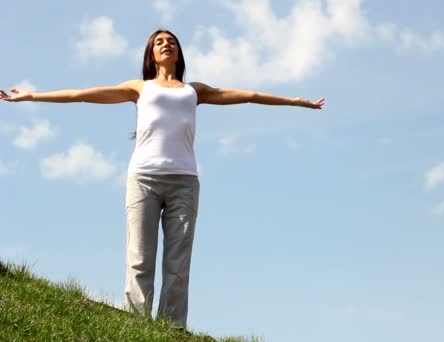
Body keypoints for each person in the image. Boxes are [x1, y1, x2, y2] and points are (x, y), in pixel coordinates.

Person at [0, 29, 325, 328]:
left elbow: (249, 94)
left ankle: (172, 329)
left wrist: (295, 101)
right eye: (159, 41)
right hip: (143, 179)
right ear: (151, 55)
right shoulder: (139, 88)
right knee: (139, 257)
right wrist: (32, 96)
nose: (166, 43)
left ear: (179, 53)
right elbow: (82, 94)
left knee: (178, 262)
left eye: (171, 40)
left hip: (184, 182)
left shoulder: (194, 91)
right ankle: (138, 324)